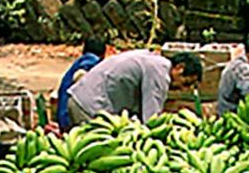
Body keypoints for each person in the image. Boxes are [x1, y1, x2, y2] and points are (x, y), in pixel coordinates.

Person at [67, 49, 203, 127]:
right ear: (179, 68)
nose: (183, 89)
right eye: (186, 83)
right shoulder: (159, 73)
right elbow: (151, 121)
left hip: (82, 98)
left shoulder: (153, 60)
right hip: (88, 107)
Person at [56, 37, 107, 132]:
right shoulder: (91, 67)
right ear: (103, 55)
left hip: (62, 116)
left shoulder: (78, 64)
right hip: (70, 120)